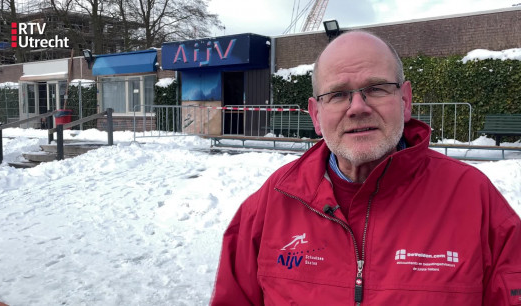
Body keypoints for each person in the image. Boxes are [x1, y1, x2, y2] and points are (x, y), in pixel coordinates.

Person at [210, 30, 521, 305]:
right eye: (338, 94)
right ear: (316, 115)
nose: (357, 107)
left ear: (405, 100)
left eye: (376, 88)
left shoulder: (475, 200)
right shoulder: (271, 204)